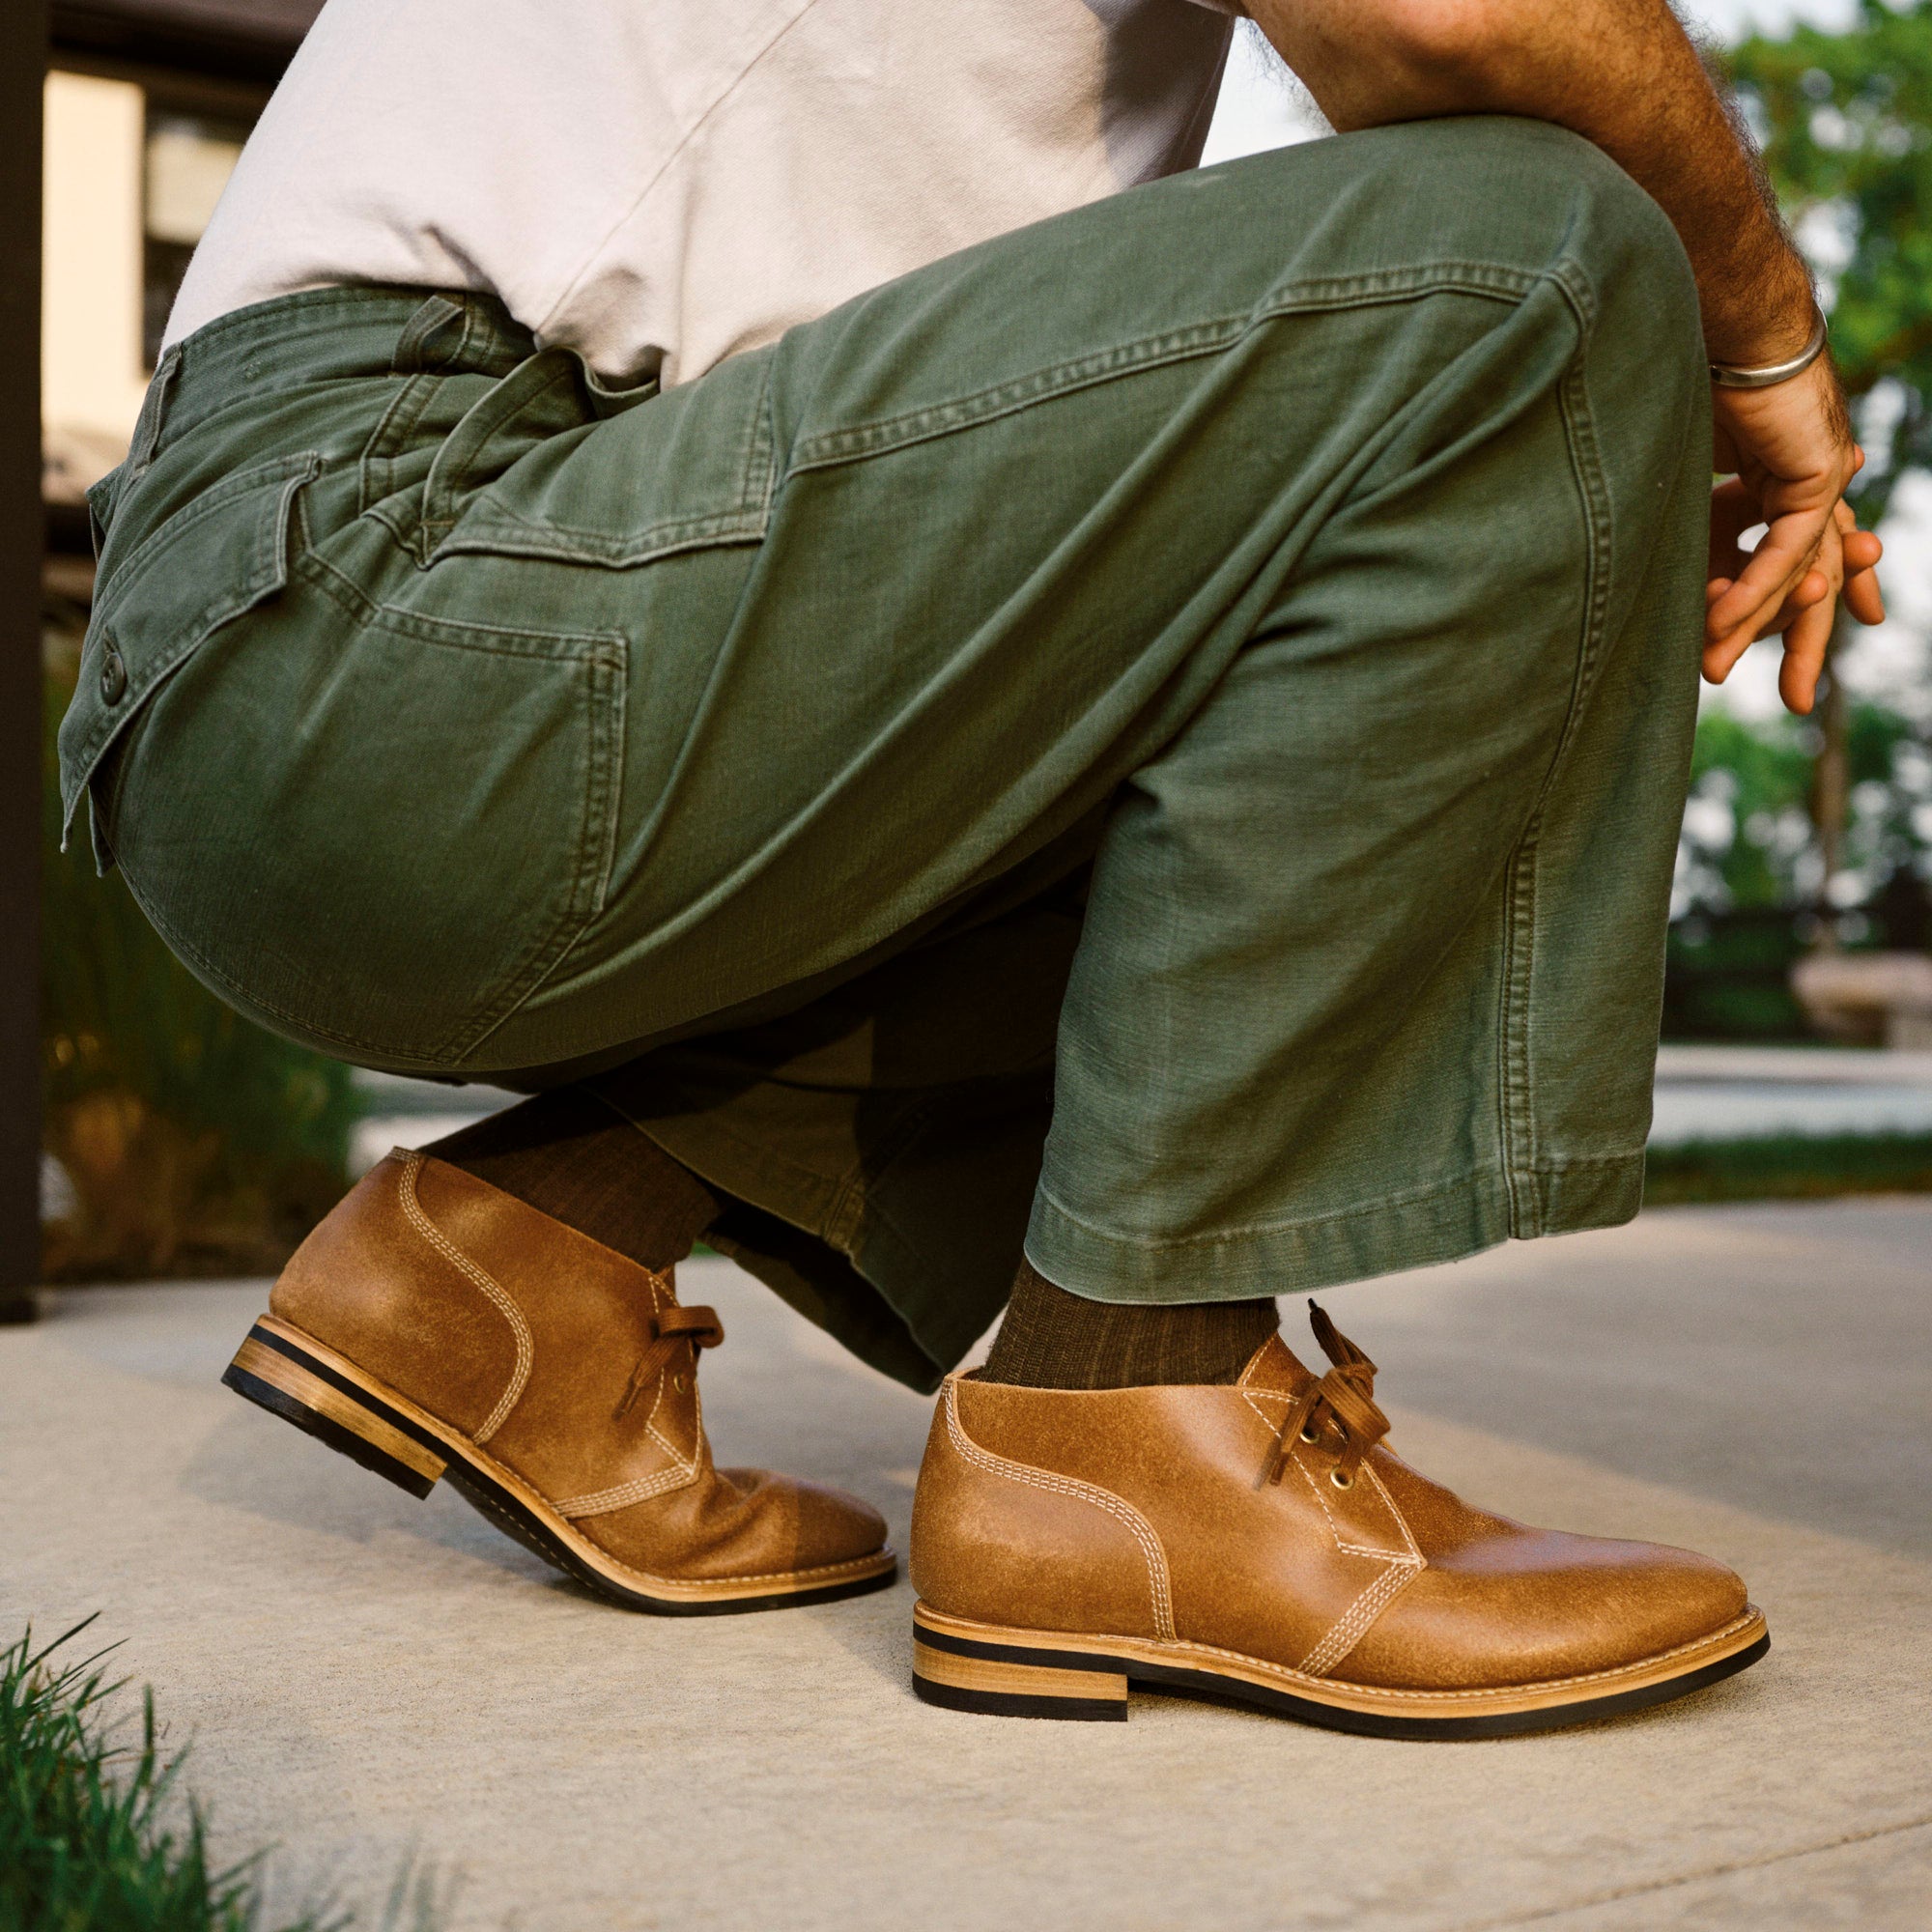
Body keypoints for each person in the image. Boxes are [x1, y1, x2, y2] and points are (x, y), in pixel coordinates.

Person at [65, 0, 1884, 1737]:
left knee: (1275, 550)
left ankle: (542, 1247)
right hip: (403, 591)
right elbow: (1456, 30)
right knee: (1531, 259)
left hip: (342, 622)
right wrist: (1766, 335)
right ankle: (1129, 1418)